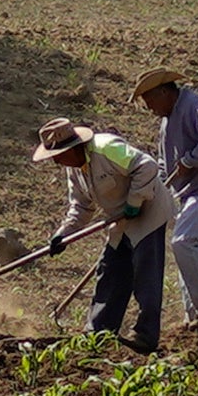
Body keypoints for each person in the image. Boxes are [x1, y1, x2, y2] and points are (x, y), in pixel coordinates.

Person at [32, 115, 168, 354]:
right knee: (110, 269)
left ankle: (145, 335)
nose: (56, 162)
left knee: (145, 272)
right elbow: (81, 206)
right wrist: (64, 234)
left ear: (72, 148)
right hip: (120, 218)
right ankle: (99, 331)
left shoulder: (106, 148)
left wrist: (135, 201)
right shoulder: (74, 169)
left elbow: (146, 166)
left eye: (58, 156)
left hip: (149, 211)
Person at [137, 67, 198, 332]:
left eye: (150, 101)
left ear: (163, 92)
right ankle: (197, 320)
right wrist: (156, 190)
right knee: (191, 257)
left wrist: (190, 161)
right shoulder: (167, 120)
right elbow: (164, 162)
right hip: (187, 193)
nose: (149, 109)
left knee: (183, 243)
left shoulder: (193, 105)